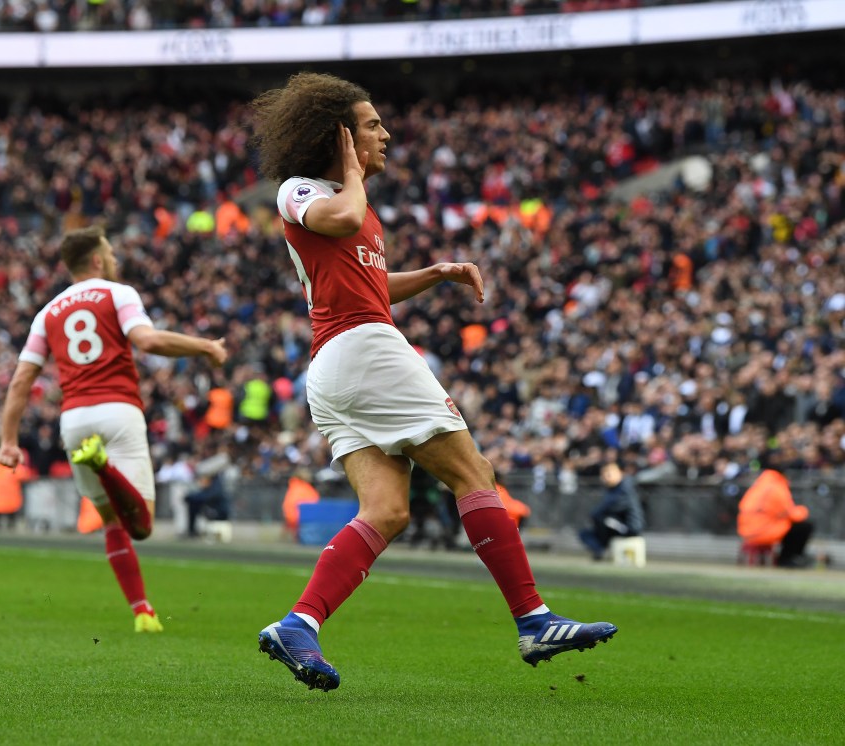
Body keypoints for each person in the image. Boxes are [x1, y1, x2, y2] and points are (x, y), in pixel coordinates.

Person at [251, 72, 616, 691]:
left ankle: (299, 623)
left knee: (388, 510)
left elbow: (371, 284)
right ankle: (533, 618)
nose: (385, 134)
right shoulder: (306, 191)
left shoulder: (353, 208)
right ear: (340, 137)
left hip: (340, 363)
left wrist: (437, 273)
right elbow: (340, 218)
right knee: (473, 474)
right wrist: (354, 175)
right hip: (363, 349)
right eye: (371, 126)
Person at [0, 225, 227, 632]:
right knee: (142, 526)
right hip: (118, 410)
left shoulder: (47, 312)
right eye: (112, 254)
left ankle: (141, 611)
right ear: (98, 260)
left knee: (110, 522)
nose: (116, 261)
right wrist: (205, 346)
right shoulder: (117, 293)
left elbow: (20, 381)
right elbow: (149, 342)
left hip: (75, 420)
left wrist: (9, 441)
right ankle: (103, 465)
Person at [737, 468, 814, 568]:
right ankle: (787, 559)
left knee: (794, 526)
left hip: (746, 531)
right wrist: (804, 511)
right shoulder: (778, 487)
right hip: (764, 531)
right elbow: (792, 514)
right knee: (804, 526)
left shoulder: (756, 487)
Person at [578, 461, 645, 561]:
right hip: (615, 524)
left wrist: (596, 514)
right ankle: (599, 550)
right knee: (585, 533)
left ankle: (601, 548)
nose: (606, 477)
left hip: (630, 527)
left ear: (620, 472)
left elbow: (611, 507)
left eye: (609, 473)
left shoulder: (625, 488)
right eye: (604, 474)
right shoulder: (612, 489)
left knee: (602, 519)